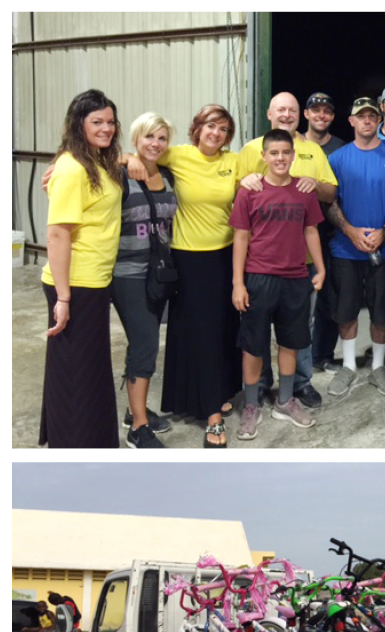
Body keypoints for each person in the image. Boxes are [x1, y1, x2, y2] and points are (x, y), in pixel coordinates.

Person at [126, 105, 243, 448]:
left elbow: (256, 181)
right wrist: (124, 158)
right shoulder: (178, 156)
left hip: (226, 256)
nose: (216, 134)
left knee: (223, 330)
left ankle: (211, 393)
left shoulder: (233, 162)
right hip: (190, 260)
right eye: (210, 126)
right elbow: (142, 153)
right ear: (197, 129)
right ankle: (212, 416)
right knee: (201, 334)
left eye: (223, 129)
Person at [238, 92, 338, 409]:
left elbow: (329, 192)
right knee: (257, 334)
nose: (286, 114)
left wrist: (311, 182)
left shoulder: (312, 151)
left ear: (300, 116)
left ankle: (299, 385)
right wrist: (249, 178)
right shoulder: (251, 148)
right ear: (270, 113)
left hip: (300, 264)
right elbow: (242, 197)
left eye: (292, 110)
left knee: (298, 331)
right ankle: (262, 386)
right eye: (281, 109)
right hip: (262, 264)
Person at [39, 89, 123, 448]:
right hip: (74, 284)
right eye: (96, 122)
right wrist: (63, 298)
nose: (106, 128)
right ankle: (71, 445)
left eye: (109, 121)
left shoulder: (98, 161)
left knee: (85, 369)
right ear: (79, 124)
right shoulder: (73, 169)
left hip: (94, 281)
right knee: (77, 372)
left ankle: (87, 439)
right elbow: (58, 234)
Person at [230, 129, 326, 441]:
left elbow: (311, 230)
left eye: (286, 153)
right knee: (254, 344)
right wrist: (238, 283)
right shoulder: (250, 191)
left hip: (296, 278)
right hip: (259, 277)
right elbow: (241, 237)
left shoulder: (304, 190)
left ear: (293, 155)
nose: (280, 158)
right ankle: (251, 404)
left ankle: (285, 401)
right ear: (264, 156)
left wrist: (321, 269)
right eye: (274, 153)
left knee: (290, 342)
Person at [325, 98, 385, 398]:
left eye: (371, 116)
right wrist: (349, 231)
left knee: (382, 312)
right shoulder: (336, 159)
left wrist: (384, 232)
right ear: (351, 121)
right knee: (346, 310)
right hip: (345, 250)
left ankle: (377, 367)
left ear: (379, 120)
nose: (366, 121)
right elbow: (330, 203)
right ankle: (348, 365)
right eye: (360, 117)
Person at [111, 113, 178, 449]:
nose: (155, 143)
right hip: (127, 273)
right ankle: (138, 428)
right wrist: (122, 157)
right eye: (149, 137)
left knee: (143, 341)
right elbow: (92, 161)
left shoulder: (167, 176)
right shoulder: (120, 172)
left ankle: (133, 410)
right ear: (135, 139)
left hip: (158, 273)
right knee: (147, 343)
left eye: (162, 138)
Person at [303, 92, 346, 376]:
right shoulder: (292, 145)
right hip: (299, 232)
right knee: (301, 302)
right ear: (306, 114)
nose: (321, 115)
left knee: (330, 297)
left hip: (330, 232)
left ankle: (323, 354)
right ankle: (300, 357)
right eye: (315, 110)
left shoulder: (341, 148)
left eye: (327, 111)